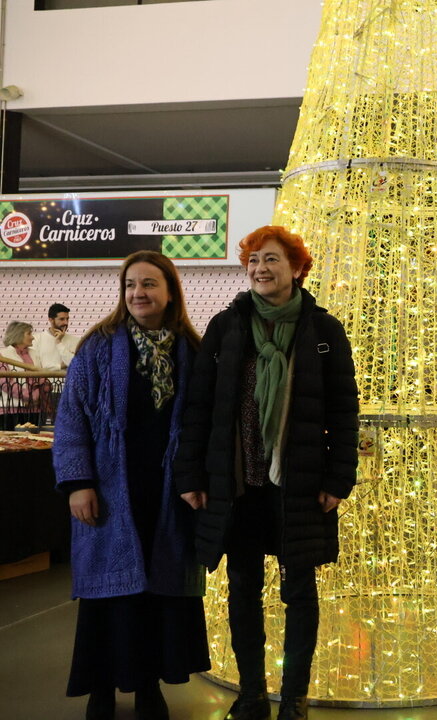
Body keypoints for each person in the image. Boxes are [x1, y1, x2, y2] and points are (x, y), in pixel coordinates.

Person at [175, 225, 359, 720]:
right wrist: (190, 476)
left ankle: (294, 697)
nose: (260, 268)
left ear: (298, 268)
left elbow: (344, 412)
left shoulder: (323, 331)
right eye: (253, 259)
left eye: (272, 259)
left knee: (299, 591)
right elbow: (199, 408)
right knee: (243, 590)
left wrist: (338, 480)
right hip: (238, 487)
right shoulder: (226, 327)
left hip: (298, 487)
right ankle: (252, 691)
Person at [51, 251, 209, 720]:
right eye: (130, 285)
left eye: (149, 284)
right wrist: (78, 482)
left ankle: (147, 687)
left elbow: (202, 422)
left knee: (158, 595)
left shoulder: (190, 349)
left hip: (165, 492)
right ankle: (101, 687)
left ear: (170, 291)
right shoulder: (98, 344)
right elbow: (72, 417)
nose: (138, 293)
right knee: (108, 595)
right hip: (109, 489)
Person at [0, 320, 48, 428]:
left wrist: (40, 392)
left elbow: (43, 377)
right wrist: (30, 396)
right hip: (11, 410)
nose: (33, 337)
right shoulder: (3, 355)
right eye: (29, 334)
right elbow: (5, 383)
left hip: (35, 410)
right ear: (18, 335)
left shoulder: (35, 354)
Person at [35, 302, 80, 369]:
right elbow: (36, 368)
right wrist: (60, 366)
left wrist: (58, 342)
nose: (66, 322)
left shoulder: (76, 341)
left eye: (67, 319)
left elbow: (75, 364)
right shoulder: (37, 339)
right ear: (51, 320)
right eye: (62, 319)